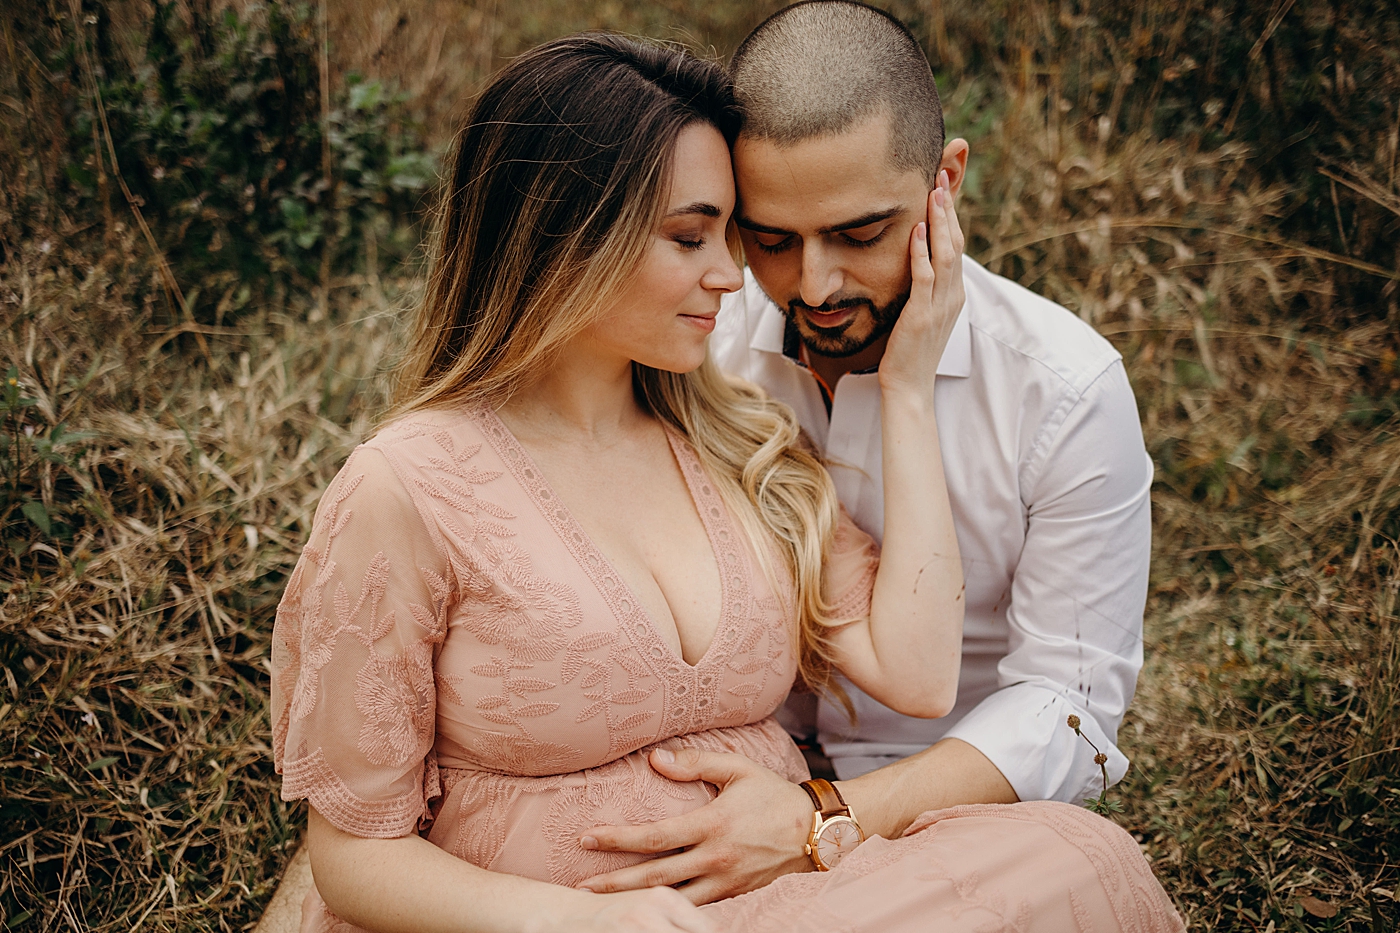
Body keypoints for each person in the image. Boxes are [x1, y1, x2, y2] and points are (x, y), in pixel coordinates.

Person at [270, 31, 1181, 933]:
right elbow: (351, 842)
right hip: (568, 912)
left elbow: (952, 677)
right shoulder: (420, 480)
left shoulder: (729, 427)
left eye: (857, 234)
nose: (756, 279)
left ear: (944, 185)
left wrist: (906, 389)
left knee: (1080, 855)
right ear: (565, 237)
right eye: (729, 236)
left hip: (812, 862)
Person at [574, 0, 1158, 909]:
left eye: (859, 233)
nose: (816, 286)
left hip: (956, 804)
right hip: (713, 781)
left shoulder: (1065, 390)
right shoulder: (695, 347)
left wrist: (823, 814)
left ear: (945, 181)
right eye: (770, 239)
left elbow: (1068, 708)